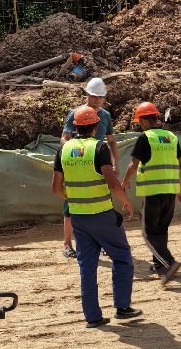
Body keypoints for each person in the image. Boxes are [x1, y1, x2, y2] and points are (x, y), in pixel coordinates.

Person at [54, 105, 142, 328]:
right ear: (95, 126)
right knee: (122, 257)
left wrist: (74, 198)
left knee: (87, 266)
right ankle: (122, 307)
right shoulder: (99, 147)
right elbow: (112, 182)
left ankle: (92, 317)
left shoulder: (63, 149)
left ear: (75, 127)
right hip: (102, 215)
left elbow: (56, 187)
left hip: (78, 218)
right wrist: (125, 200)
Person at [120, 102, 181, 284]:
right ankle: (159, 264)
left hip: (153, 193)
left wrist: (125, 181)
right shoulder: (171, 137)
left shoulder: (146, 138)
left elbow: (133, 164)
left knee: (149, 233)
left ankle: (169, 262)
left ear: (143, 120)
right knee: (161, 229)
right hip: (170, 192)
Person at [60, 77, 116, 258]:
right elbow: (64, 138)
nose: (97, 100)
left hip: (99, 164)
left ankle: (103, 243)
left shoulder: (105, 116)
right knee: (71, 204)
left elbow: (111, 141)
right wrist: (76, 152)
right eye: (94, 96)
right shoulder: (75, 113)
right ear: (87, 95)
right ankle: (67, 244)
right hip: (78, 163)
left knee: (101, 203)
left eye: (100, 97)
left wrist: (114, 163)